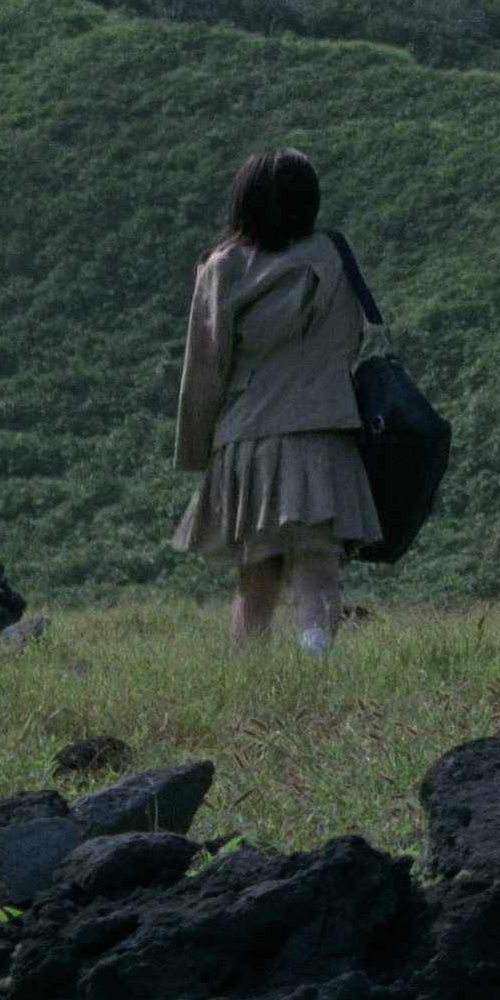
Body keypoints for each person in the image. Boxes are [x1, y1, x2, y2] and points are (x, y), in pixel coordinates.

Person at [172, 147, 380, 652]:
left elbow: (205, 369)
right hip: (323, 435)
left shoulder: (223, 268)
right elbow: (352, 338)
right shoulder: (334, 256)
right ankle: (319, 665)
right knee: (319, 572)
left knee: (255, 580)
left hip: (249, 439)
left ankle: (251, 681)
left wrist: (198, 452)